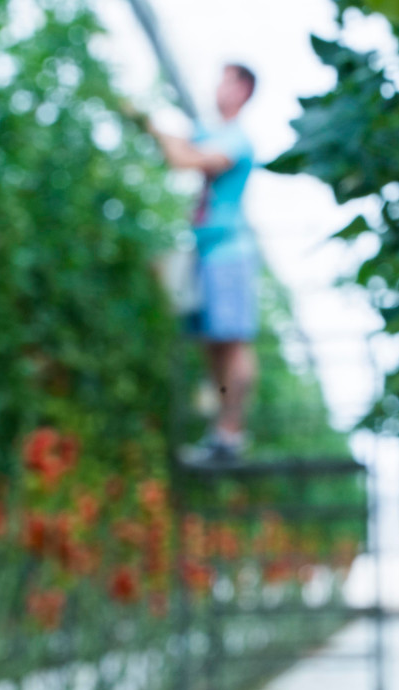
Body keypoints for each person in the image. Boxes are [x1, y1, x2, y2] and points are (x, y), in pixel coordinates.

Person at [149, 64, 260, 464]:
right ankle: (220, 431)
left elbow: (185, 159)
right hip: (206, 251)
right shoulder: (210, 134)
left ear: (243, 90)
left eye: (226, 79)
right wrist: (160, 132)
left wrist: (158, 130)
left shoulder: (236, 141)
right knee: (214, 343)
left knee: (233, 340)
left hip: (230, 250)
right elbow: (180, 149)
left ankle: (232, 432)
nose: (218, 86)